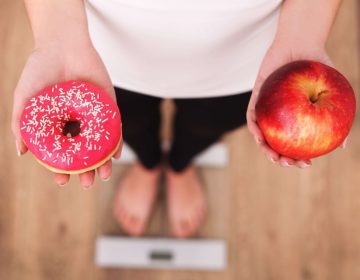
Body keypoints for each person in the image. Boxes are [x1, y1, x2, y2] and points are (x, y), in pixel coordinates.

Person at [12, 0, 342, 238]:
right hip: (96, 52)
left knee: (206, 125)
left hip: (250, 56)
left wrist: (304, 35)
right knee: (131, 123)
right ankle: (149, 162)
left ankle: (180, 165)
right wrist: (56, 34)